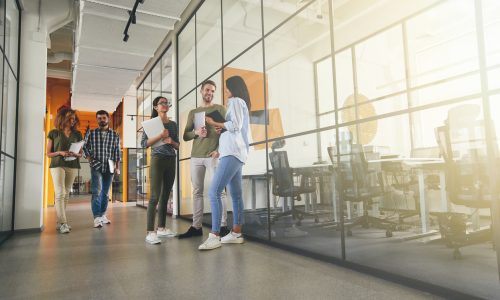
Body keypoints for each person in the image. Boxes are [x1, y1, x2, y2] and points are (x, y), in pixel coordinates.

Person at [199, 75, 251, 250]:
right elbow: (233, 130)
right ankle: (236, 232)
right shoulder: (239, 103)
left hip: (233, 153)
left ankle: (214, 235)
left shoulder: (235, 101)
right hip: (234, 152)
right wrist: (219, 149)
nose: (225, 90)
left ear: (233, 88)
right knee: (235, 194)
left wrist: (214, 122)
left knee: (214, 192)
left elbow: (235, 125)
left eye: (227, 87)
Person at [178, 80, 230, 239]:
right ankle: (196, 226)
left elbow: (229, 131)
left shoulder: (220, 108)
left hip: (213, 155)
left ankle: (222, 226)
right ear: (201, 91)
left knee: (219, 192)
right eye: (207, 90)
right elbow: (186, 136)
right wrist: (196, 133)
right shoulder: (194, 112)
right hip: (196, 156)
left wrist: (219, 150)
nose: (210, 93)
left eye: (213, 91)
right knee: (197, 192)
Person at [141, 96, 179, 244]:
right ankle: (150, 232)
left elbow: (178, 146)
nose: (165, 105)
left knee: (165, 196)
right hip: (157, 160)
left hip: (171, 160)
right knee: (154, 196)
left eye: (166, 103)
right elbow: (144, 143)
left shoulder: (173, 125)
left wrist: (171, 141)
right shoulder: (150, 124)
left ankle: (161, 229)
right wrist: (160, 136)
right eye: (161, 103)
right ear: (156, 107)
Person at [46, 108, 83, 234]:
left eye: (73, 118)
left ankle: (60, 221)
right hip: (58, 164)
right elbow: (48, 154)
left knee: (66, 193)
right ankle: (63, 223)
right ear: (62, 118)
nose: (72, 120)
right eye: (69, 118)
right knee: (60, 192)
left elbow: (81, 153)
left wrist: (76, 154)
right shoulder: (54, 133)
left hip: (72, 164)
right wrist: (60, 152)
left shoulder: (77, 134)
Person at [83, 110, 121, 228]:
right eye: (99, 118)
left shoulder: (115, 135)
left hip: (110, 165)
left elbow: (117, 152)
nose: (102, 120)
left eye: (104, 118)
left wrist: (117, 167)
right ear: (97, 120)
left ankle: (103, 215)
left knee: (105, 193)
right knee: (97, 191)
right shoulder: (92, 133)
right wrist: (89, 159)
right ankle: (96, 217)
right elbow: (85, 147)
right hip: (96, 165)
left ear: (108, 119)